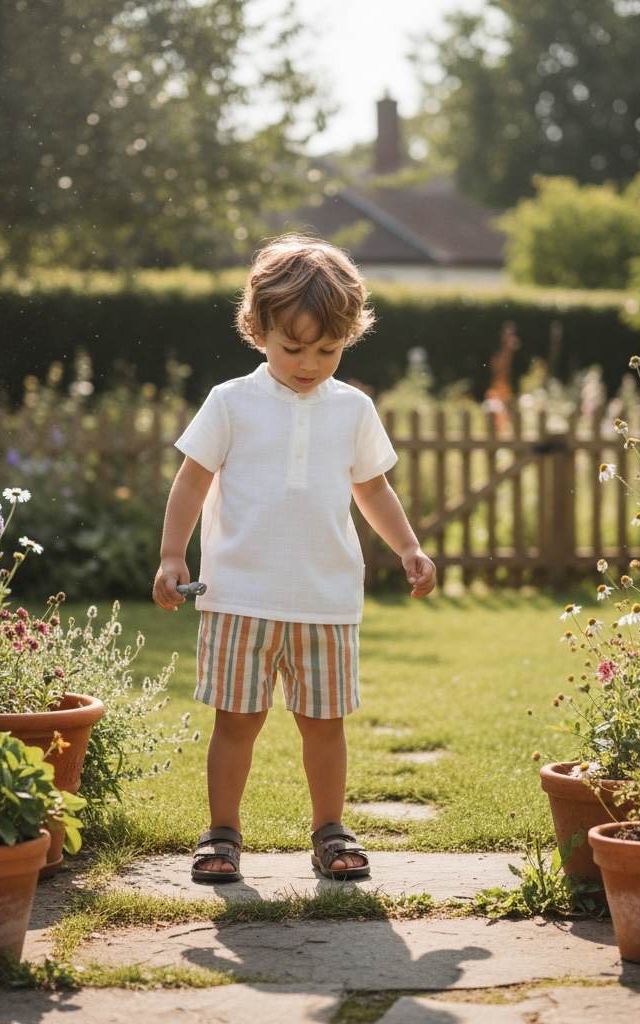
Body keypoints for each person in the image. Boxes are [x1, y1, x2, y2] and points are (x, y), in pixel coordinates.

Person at [152, 233, 437, 883]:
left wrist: (408, 546)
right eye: (293, 348)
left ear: (349, 338)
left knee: (324, 725)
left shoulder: (353, 410)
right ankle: (222, 834)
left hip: (325, 602)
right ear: (258, 330)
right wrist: (172, 555)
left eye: (328, 350)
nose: (310, 364)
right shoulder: (231, 402)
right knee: (237, 722)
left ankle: (330, 831)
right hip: (238, 597)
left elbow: (373, 489)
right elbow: (192, 481)